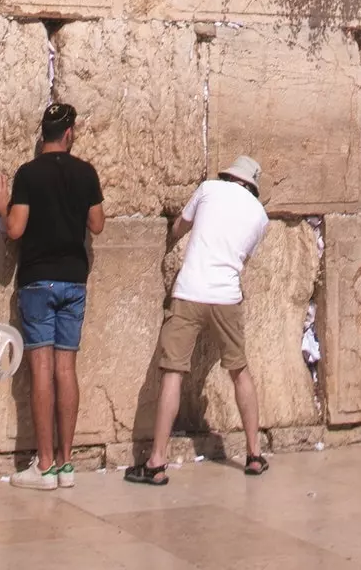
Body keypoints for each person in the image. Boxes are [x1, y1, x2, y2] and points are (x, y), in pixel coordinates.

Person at [125, 155, 270, 485]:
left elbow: (179, 227)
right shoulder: (260, 216)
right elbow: (243, 258)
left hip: (190, 289)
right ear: (251, 186)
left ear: (230, 177)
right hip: (227, 297)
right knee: (240, 371)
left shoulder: (208, 189)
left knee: (173, 373)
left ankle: (157, 462)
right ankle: (254, 454)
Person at [0, 102, 104, 492]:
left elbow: (16, 229)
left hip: (38, 281)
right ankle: (67, 463)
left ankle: (43, 466)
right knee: (66, 369)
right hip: (74, 280)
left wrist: (2, 207)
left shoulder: (28, 173)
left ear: (45, 135)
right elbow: (98, 224)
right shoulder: (86, 172)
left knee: (41, 369)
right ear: (69, 133)